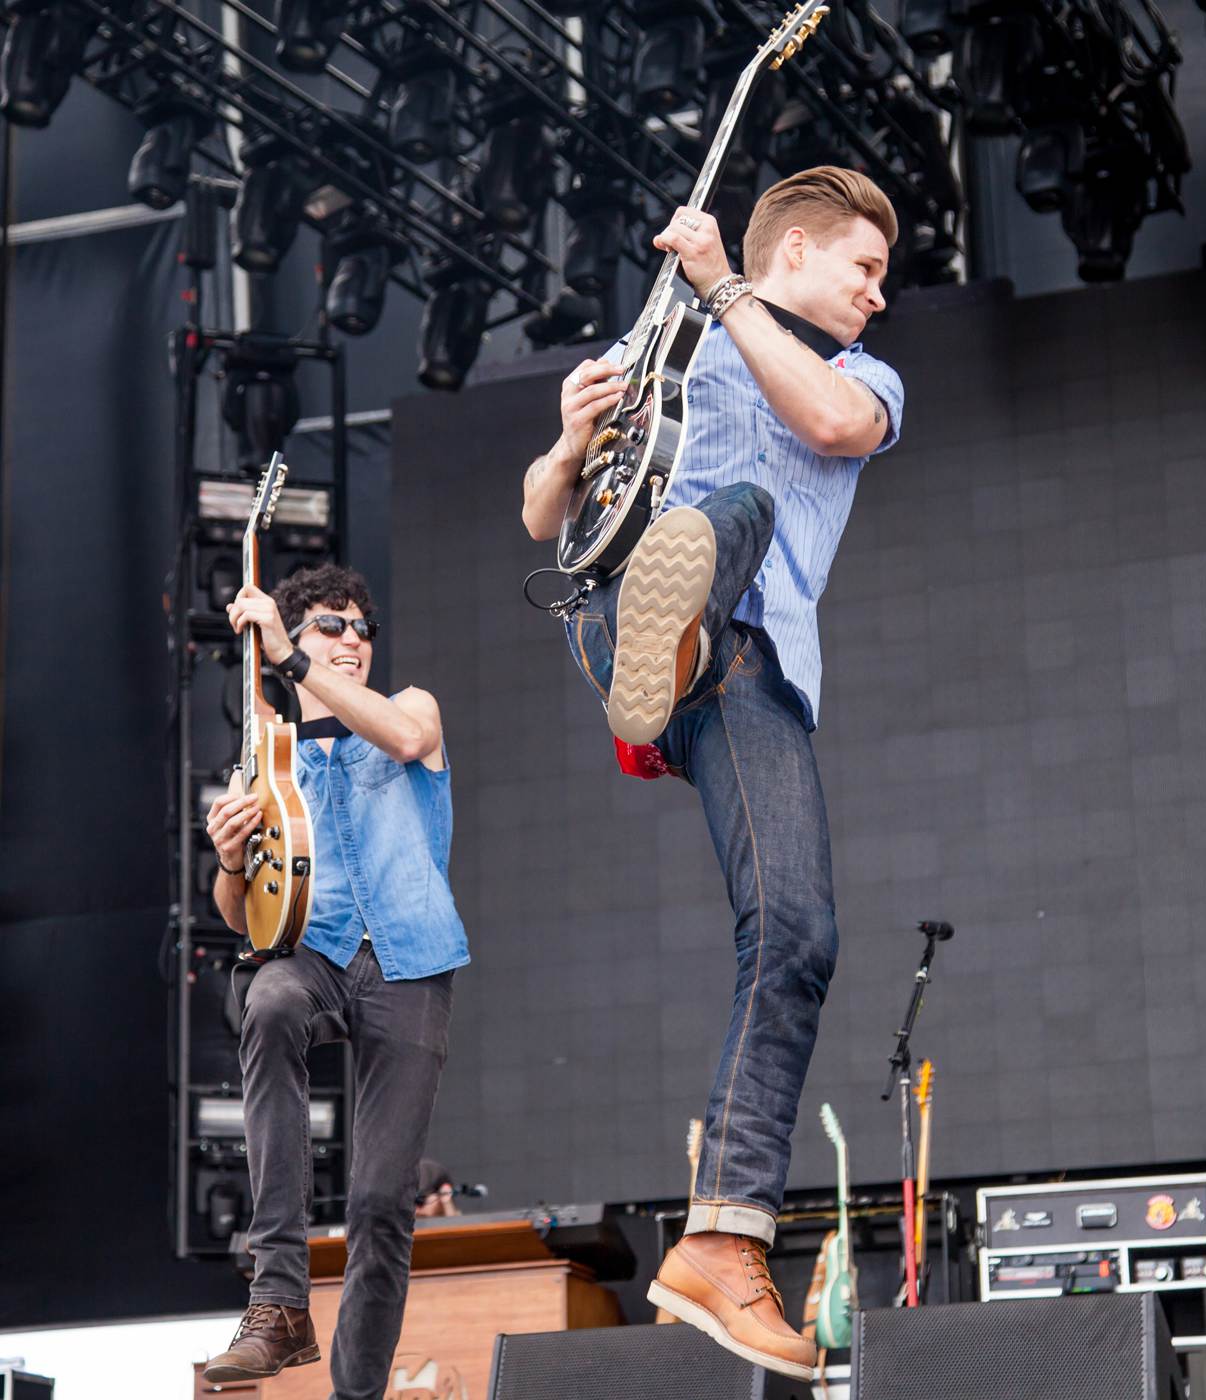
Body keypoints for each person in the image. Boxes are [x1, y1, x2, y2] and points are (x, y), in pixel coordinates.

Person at [521, 166, 903, 1381]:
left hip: (748, 669)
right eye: (863, 269)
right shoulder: (665, 339)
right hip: (619, 605)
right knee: (724, 506)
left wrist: (723, 287)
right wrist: (570, 436)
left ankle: (720, 1240)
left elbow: (833, 429)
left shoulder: (859, 377)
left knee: (797, 932)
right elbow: (543, 518)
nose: (877, 297)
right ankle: (665, 623)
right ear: (795, 251)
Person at [202, 563, 468, 1399]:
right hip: (311, 951)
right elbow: (241, 916)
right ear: (292, 632)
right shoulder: (266, 757)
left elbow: (408, 740)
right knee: (269, 998)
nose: (354, 639)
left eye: (361, 627)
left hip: (410, 957)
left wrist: (295, 661)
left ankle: (356, 1395)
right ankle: (278, 1298)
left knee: (383, 1205)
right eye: (331, 625)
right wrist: (230, 859)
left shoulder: (411, 706)